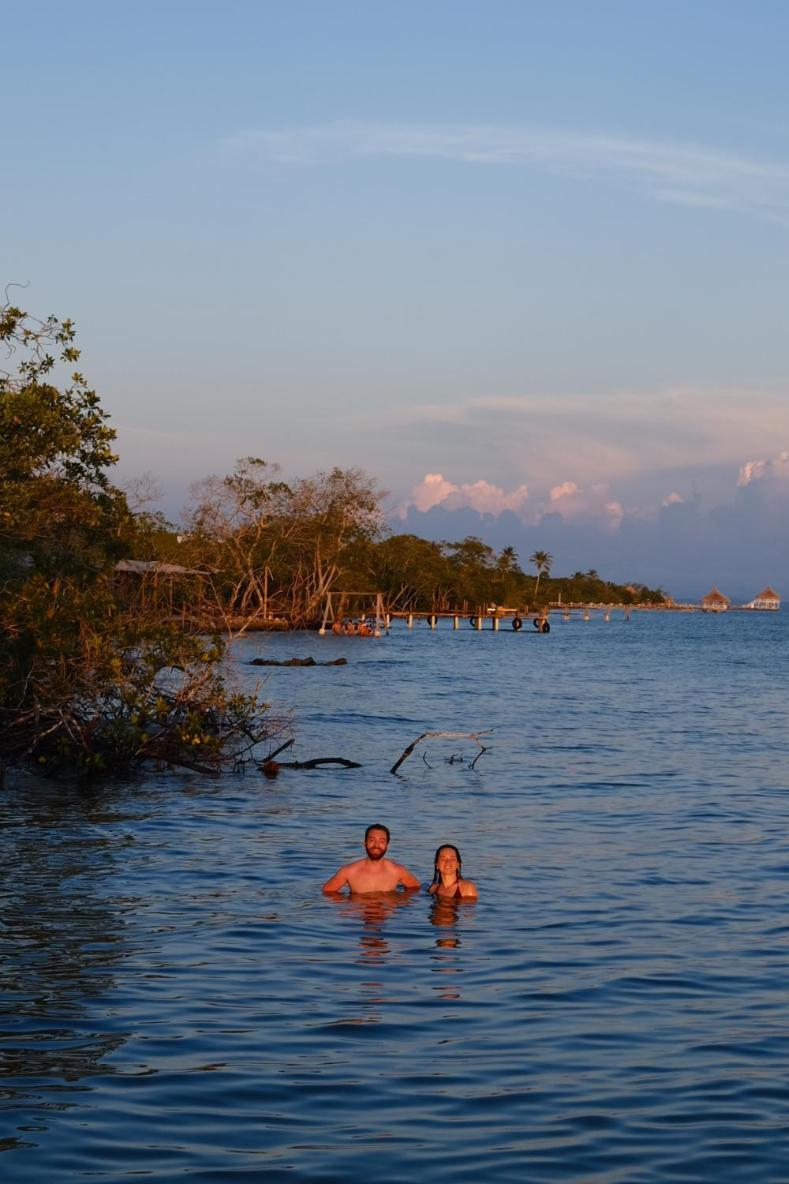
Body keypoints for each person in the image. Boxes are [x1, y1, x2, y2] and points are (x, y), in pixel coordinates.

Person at [322, 824, 421, 894]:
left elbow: (415, 888)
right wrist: (348, 906)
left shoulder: (397, 871)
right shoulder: (349, 871)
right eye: (371, 840)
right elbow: (327, 892)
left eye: (382, 841)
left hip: (386, 920)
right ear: (364, 843)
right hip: (359, 919)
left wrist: (398, 901)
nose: (376, 845)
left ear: (387, 845)